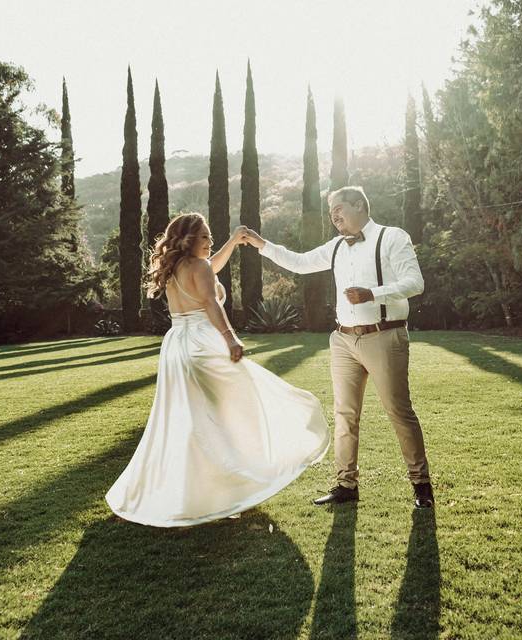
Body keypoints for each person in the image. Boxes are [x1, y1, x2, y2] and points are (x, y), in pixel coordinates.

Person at [105, 213, 329, 527]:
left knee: (194, 418)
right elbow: (211, 302)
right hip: (203, 343)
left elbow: (211, 266)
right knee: (235, 410)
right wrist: (230, 338)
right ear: (188, 240)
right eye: (205, 238)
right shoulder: (199, 267)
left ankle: (203, 490)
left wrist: (233, 242)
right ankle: (231, 485)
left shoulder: (176, 267)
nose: (210, 243)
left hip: (177, 345)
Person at [240, 186, 434, 508]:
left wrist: (373, 294)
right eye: (331, 213)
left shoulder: (392, 237)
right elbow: (300, 263)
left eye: (338, 209)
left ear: (360, 205)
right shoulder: (335, 247)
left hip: (384, 336)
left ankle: (421, 485)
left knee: (399, 411)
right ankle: (346, 484)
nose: (334, 217)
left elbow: (415, 283)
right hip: (343, 340)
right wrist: (262, 245)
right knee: (345, 415)